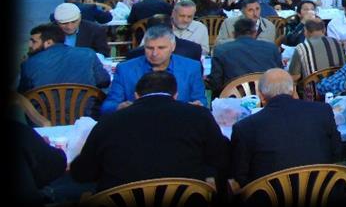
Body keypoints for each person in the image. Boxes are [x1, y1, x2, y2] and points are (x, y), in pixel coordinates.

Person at [71, 71, 230, 194]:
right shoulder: (199, 116)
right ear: (175, 95)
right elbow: (222, 157)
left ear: (136, 96)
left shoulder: (109, 122)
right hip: (186, 198)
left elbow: (82, 173)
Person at [230, 69, 343, 188]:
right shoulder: (322, 111)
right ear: (293, 90)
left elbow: (240, 175)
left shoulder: (244, 127)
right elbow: (337, 152)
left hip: (270, 198)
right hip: (322, 194)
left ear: (261, 96)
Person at [101, 26, 208, 114]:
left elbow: (201, 100)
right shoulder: (125, 69)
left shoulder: (192, 67)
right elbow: (107, 107)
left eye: (161, 48)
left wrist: (198, 105)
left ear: (173, 47)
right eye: (149, 48)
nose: (155, 53)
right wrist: (118, 107)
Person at [18, 24, 111, 94]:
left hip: (43, 117)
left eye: (33, 42)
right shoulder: (88, 53)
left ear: (49, 43)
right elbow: (104, 81)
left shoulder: (29, 64)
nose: (30, 45)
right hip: (86, 114)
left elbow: (23, 93)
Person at [209, 18, 282, 94]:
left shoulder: (221, 50)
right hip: (266, 97)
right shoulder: (272, 48)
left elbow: (216, 84)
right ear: (255, 33)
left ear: (233, 34)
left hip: (233, 99)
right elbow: (280, 76)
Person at [288, 18, 346, 90]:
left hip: (314, 94)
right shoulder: (338, 43)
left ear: (305, 31)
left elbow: (294, 76)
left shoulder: (302, 48)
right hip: (340, 89)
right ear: (324, 30)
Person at [126, 17, 203, 64]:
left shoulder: (134, 54)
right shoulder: (194, 48)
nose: (155, 53)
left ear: (147, 30)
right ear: (172, 28)